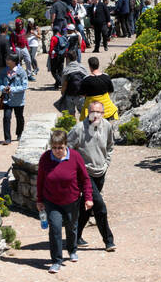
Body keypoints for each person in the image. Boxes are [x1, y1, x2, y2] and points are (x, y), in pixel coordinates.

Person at [36, 130, 93, 272]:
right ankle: (56, 260)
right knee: (55, 229)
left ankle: (72, 249)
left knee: (72, 227)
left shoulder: (75, 157)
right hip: (51, 201)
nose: (57, 151)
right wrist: (39, 200)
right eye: (54, 147)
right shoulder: (45, 158)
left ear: (66, 145)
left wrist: (88, 198)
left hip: (72, 200)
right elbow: (40, 181)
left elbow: (85, 179)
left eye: (60, 147)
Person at [68, 101, 116, 251]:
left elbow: (110, 145)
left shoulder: (107, 126)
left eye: (99, 112)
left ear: (103, 113)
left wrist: (107, 163)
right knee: (99, 205)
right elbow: (67, 150)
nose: (96, 115)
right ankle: (108, 240)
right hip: (85, 174)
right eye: (93, 112)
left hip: (101, 171)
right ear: (88, 112)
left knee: (86, 207)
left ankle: (75, 237)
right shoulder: (78, 129)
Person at [0, 56, 28, 143]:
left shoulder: (22, 72)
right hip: (7, 100)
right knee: (6, 118)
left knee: (19, 117)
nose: (6, 60)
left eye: (8, 59)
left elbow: (24, 86)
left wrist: (12, 89)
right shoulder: (4, 71)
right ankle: (7, 138)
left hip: (18, 100)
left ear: (14, 61)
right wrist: (3, 88)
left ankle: (19, 134)